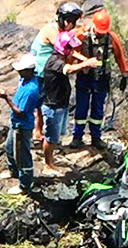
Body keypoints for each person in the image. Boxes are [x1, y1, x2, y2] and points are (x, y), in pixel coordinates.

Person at [41, 31, 100, 175]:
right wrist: (85, 63)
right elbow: (68, 69)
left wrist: (84, 63)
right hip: (53, 106)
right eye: (70, 49)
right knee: (51, 138)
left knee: (56, 137)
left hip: (61, 104)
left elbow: (71, 64)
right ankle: (48, 165)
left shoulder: (61, 58)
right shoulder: (55, 61)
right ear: (64, 49)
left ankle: (51, 159)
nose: (72, 52)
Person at [70, 8, 128, 149]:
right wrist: (78, 64)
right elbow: (71, 53)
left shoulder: (112, 38)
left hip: (102, 78)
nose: (101, 34)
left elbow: (120, 56)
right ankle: (77, 137)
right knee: (81, 108)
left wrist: (124, 75)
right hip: (84, 77)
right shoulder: (81, 35)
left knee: (98, 109)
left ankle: (96, 137)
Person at [30, 2, 85, 142]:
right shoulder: (52, 30)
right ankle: (29, 134)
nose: (71, 24)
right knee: (33, 103)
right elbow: (64, 50)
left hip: (49, 74)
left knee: (44, 103)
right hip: (38, 72)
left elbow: (72, 49)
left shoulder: (65, 33)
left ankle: (38, 131)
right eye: (69, 21)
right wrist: (84, 62)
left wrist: (86, 60)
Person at [0, 54, 40, 195]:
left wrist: (6, 98)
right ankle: (13, 171)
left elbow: (20, 111)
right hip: (15, 123)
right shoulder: (24, 80)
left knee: (22, 156)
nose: (19, 72)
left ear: (29, 70)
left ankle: (25, 185)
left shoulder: (31, 89)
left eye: (22, 70)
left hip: (22, 125)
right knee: (9, 148)